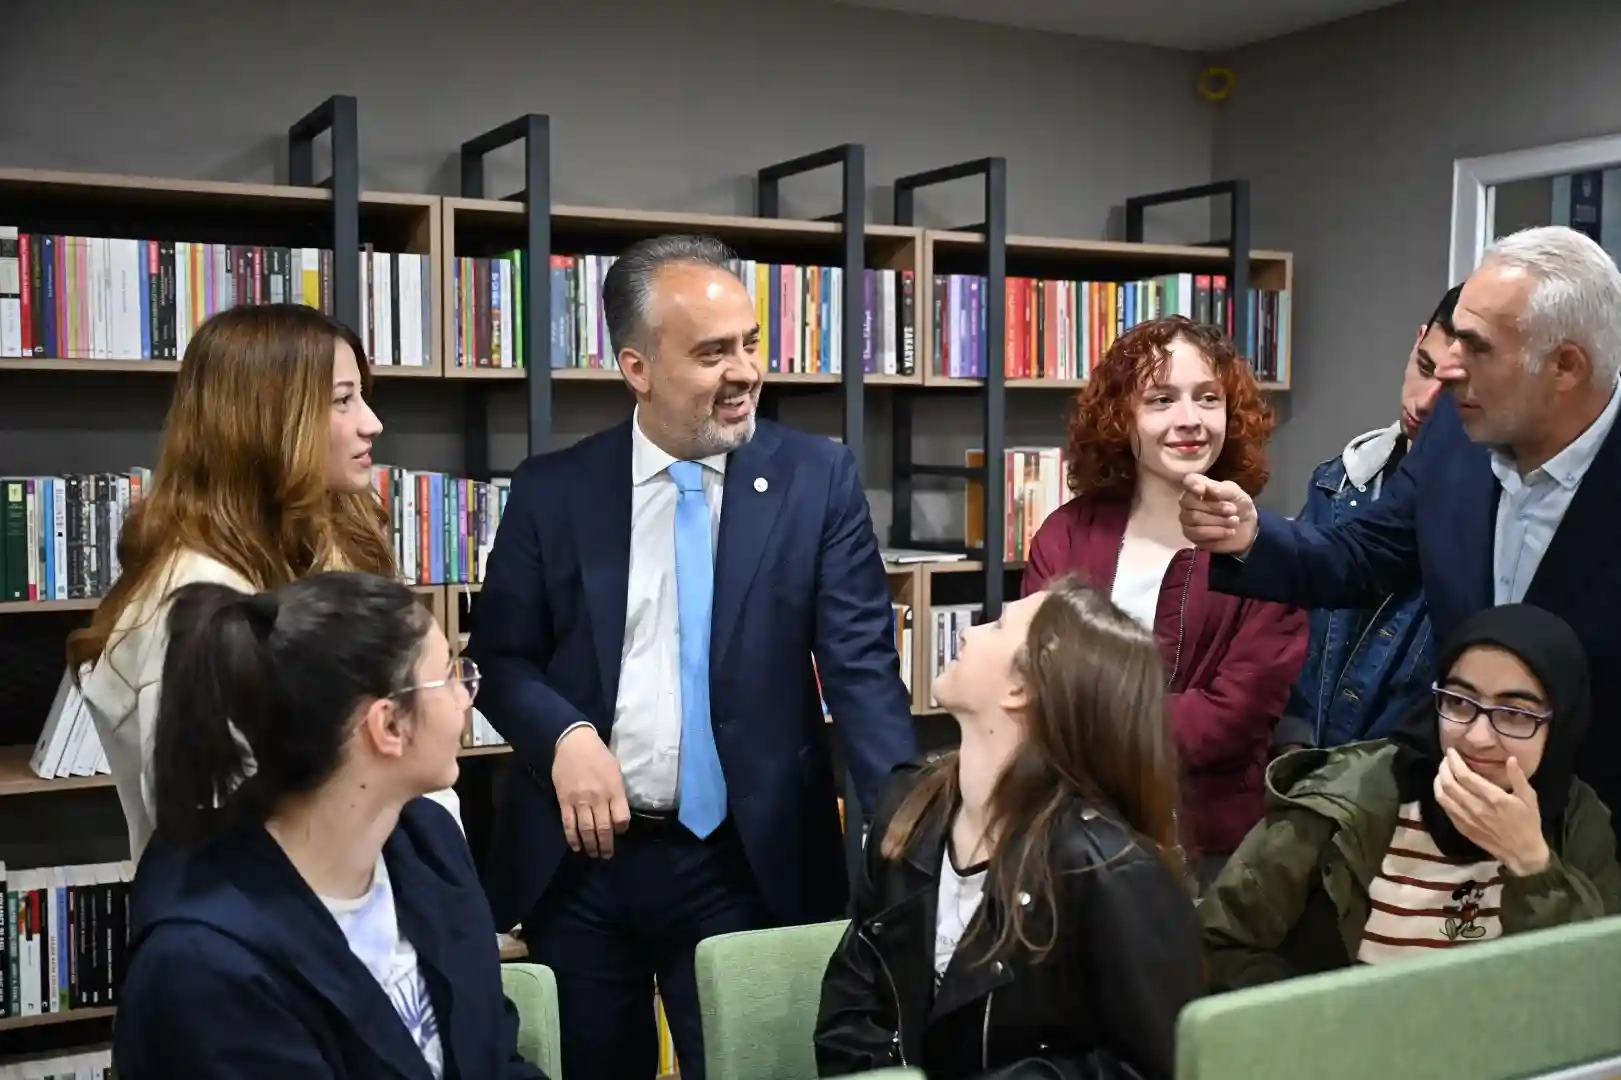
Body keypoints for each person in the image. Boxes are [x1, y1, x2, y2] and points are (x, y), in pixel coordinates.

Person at [467, 234, 918, 1080]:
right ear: (637, 368)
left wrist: (906, 827)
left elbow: (861, 670)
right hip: (581, 863)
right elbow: (499, 657)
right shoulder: (553, 489)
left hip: (750, 861)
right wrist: (564, 737)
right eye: (712, 354)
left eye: (750, 343)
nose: (744, 371)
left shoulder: (816, 479)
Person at [1179, 225, 1621, 834]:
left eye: (1477, 347)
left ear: (1565, 367)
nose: (1447, 368)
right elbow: (1365, 553)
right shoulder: (1454, 433)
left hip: (1595, 834)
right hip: (1451, 810)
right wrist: (1251, 536)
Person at [112, 572, 545, 1079]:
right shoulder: (206, 965)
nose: (466, 695)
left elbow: (494, 1056)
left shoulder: (430, 843)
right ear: (388, 725)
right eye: (449, 674)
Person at [68, 303, 458, 864]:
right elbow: (222, 835)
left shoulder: (327, 542)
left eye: (361, 396)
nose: (371, 423)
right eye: (342, 400)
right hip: (277, 909)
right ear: (267, 422)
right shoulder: (195, 602)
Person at [813, 575, 1203, 1080]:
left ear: (1023, 688)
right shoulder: (909, 808)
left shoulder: (1109, 870)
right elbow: (852, 999)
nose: (967, 631)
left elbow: (1148, 1067)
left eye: (996, 625)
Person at [1199, 603, 1621, 992]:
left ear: (1560, 725)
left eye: (1514, 714)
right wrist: (1322, 1021)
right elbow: (1219, 943)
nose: (1477, 737)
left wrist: (1532, 865)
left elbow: (1592, 991)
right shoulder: (1349, 795)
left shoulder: (1579, 823)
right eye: (1459, 702)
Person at [1021, 315, 1307, 884]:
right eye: (1161, 399)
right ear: (1122, 416)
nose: (1189, 419)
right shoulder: (1066, 535)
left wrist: (1091, 721)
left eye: (1208, 398)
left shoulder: (1269, 552)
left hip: (1212, 850)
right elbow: (1038, 680)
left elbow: (1234, 714)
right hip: (1069, 835)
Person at [1272, 285, 1460, 754]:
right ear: (1417, 340)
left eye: (1452, 389)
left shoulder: (1484, 515)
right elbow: (1288, 635)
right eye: (1424, 367)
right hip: (1300, 772)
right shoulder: (1338, 481)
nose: (1424, 402)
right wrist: (1292, 742)